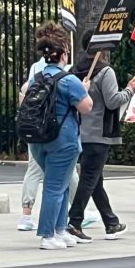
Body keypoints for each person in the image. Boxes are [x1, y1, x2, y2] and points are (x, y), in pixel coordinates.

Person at [65, 30, 135, 242]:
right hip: (99, 132)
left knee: (95, 179)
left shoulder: (73, 71)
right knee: (89, 178)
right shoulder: (105, 72)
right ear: (102, 49)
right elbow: (113, 101)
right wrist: (130, 89)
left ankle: (111, 222)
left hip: (79, 131)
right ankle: (75, 220)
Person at [27, 22, 93, 250]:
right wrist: (84, 88)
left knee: (61, 184)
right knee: (55, 187)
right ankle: (47, 234)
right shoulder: (69, 80)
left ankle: (59, 229)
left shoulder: (37, 77)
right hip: (62, 141)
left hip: (38, 140)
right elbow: (86, 107)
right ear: (64, 53)